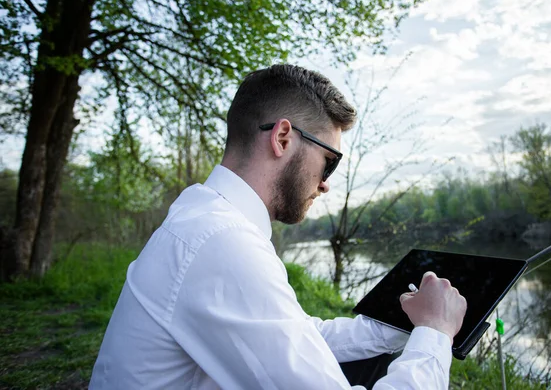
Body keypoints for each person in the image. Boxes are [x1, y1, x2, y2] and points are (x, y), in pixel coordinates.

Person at [89, 64, 467, 389]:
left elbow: (295, 338)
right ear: (282, 138)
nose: (325, 182)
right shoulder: (222, 242)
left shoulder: (206, 220)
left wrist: (395, 326)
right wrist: (434, 333)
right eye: (329, 161)